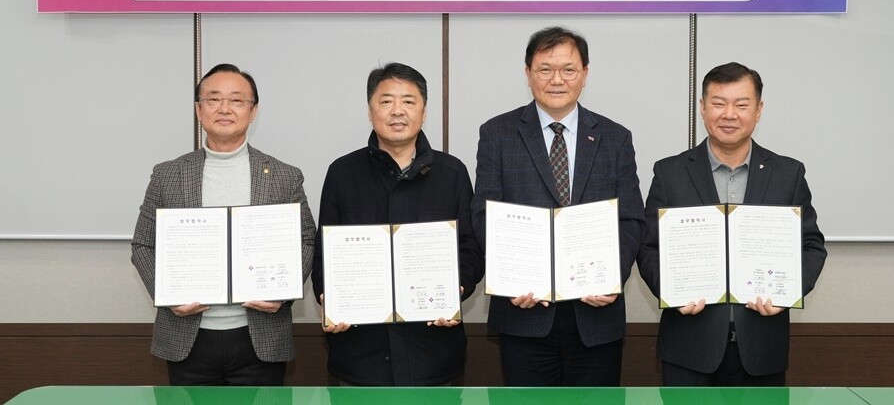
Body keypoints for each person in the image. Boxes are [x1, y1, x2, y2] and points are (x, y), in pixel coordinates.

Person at [471, 26, 645, 386]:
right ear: (527, 73)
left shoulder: (615, 137)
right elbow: (484, 213)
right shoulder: (497, 134)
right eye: (545, 69)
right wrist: (511, 276)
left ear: (585, 73)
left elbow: (630, 219)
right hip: (523, 311)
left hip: (596, 315)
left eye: (568, 69)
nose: (556, 80)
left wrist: (611, 278)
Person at [638, 61, 827, 386]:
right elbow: (647, 247)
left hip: (762, 348)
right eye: (719, 103)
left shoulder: (788, 173)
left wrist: (787, 292)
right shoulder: (670, 173)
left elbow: (811, 246)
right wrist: (672, 290)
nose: (729, 115)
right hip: (688, 348)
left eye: (741, 105)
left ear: (759, 110)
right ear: (702, 107)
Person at [131, 63, 315, 386]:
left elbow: (306, 240)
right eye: (214, 99)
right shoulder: (167, 174)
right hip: (188, 338)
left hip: (260, 337)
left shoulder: (284, 176)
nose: (225, 108)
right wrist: (168, 295)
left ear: (253, 111)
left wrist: (282, 293)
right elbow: (143, 244)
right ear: (198, 110)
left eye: (237, 100)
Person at [311, 62, 484, 386]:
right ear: (370, 111)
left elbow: (470, 249)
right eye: (386, 101)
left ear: (424, 112)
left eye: (408, 101)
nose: (397, 111)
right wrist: (329, 298)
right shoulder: (342, 173)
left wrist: (455, 290)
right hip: (360, 354)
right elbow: (324, 254)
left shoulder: (452, 173)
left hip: (433, 351)